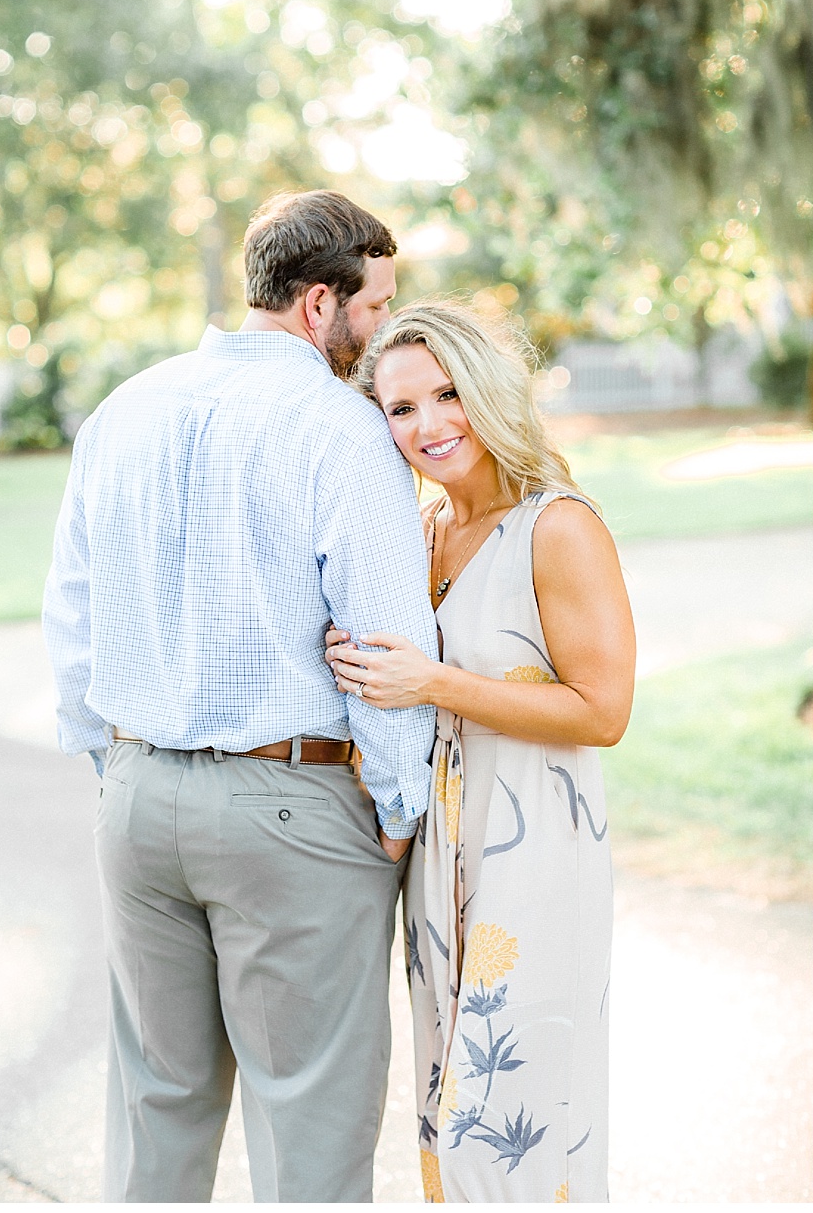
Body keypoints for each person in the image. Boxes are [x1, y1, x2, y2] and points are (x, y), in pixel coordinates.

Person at [43, 190, 438, 1200]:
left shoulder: (124, 410)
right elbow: (390, 644)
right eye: (372, 307)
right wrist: (397, 809)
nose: (378, 330)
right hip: (292, 811)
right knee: (310, 1127)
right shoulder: (344, 436)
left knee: (155, 1111)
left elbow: (72, 618)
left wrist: (115, 765)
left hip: (137, 802)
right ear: (319, 302)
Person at [323, 300, 634, 1202]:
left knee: (504, 1125)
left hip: (533, 849)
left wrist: (432, 683)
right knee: (445, 1105)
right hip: (439, 860)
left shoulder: (558, 525)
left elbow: (604, 710)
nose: (429, 426)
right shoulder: (420, 534)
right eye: (402, 409)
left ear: (488, 389)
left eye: (447, 395)